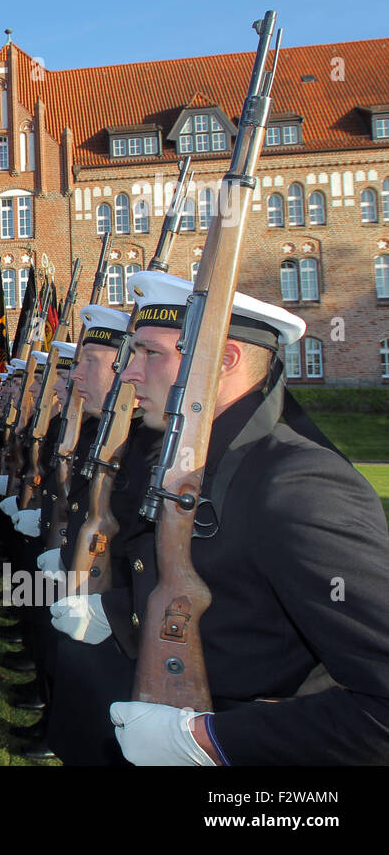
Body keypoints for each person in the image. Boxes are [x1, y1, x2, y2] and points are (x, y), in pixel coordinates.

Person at [92, 271, 389, 765]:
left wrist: (208, 740)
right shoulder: (195, 462)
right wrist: (116, 611)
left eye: (151, 353)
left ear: (223, 360)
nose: (129, 374)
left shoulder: (298, 485)